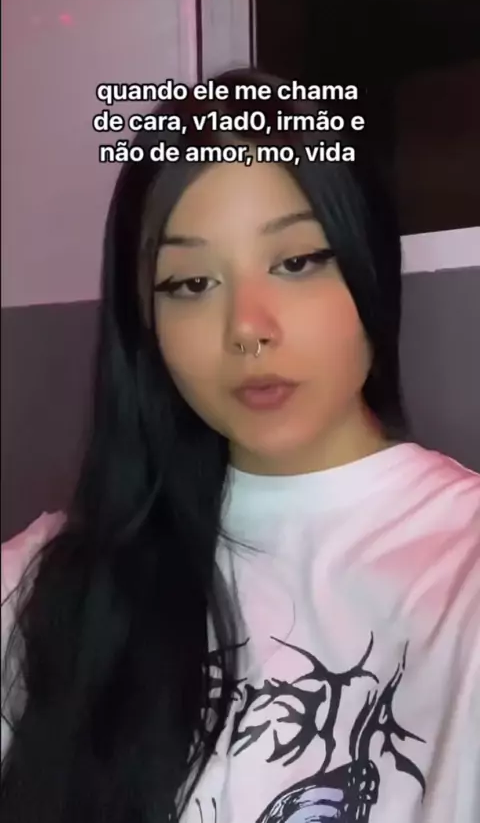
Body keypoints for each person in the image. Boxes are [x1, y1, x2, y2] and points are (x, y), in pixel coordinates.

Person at [1, 67, 479, 823]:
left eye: (297, 262)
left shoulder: (462, 572)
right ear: (145, 323)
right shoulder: (49, 584)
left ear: (368, 264)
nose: (248, 327)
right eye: (191, 283)